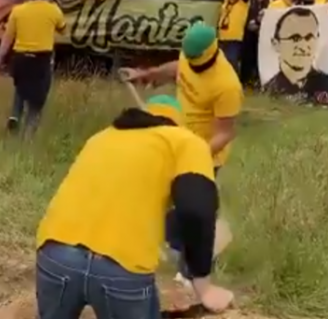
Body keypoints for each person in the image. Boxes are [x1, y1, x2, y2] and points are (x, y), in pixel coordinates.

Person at [35, 95, 233, 319]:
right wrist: (203, 286)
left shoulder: (101, 137)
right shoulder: (186, 141)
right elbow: (196, 211)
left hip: (55, 254)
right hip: (121, 270)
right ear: (178, 123)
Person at [120, 22, 242, 285]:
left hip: (205, 154)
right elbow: (177, 70)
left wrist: (195, 154)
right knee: (170, 201)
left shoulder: (227, 85)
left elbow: (226, 132)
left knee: (194, 209)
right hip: (178, 141)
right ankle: (181, 249)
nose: (192, 64)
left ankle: (195, 269)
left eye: (198, 62)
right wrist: (146, 74)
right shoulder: (189, 56)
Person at [0, 0, 65, 136]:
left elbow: (7, 39)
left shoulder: (18, 11)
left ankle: (14, 116)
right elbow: (63, 28)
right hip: (42, 59)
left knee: (21, 88)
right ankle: (28, 134)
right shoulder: (53, 10)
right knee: (37, 99)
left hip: (20, 58)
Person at [262, 7, 328, 103]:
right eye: (295, 38)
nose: (303, 47)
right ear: (276, 44)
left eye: (309, 37)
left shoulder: (325, 81)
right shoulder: (270, 89)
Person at [217, 0, 250, 75]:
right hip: (222, 36)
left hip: (235, 37)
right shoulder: (226, 2)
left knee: (232, 59)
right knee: (221, 59)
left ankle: (234, 77)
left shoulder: (243, 3)